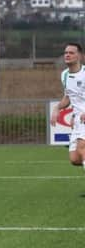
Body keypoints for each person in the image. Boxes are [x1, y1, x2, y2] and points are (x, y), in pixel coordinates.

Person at [50, 42, 85, 172]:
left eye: (71, 53)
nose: (67, 55)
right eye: (66, 53)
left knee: (82, 149)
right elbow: (68, 97)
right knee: (75, 159)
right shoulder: (64, 75)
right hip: (77, 121)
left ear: (79, 56)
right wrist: (57, 108)